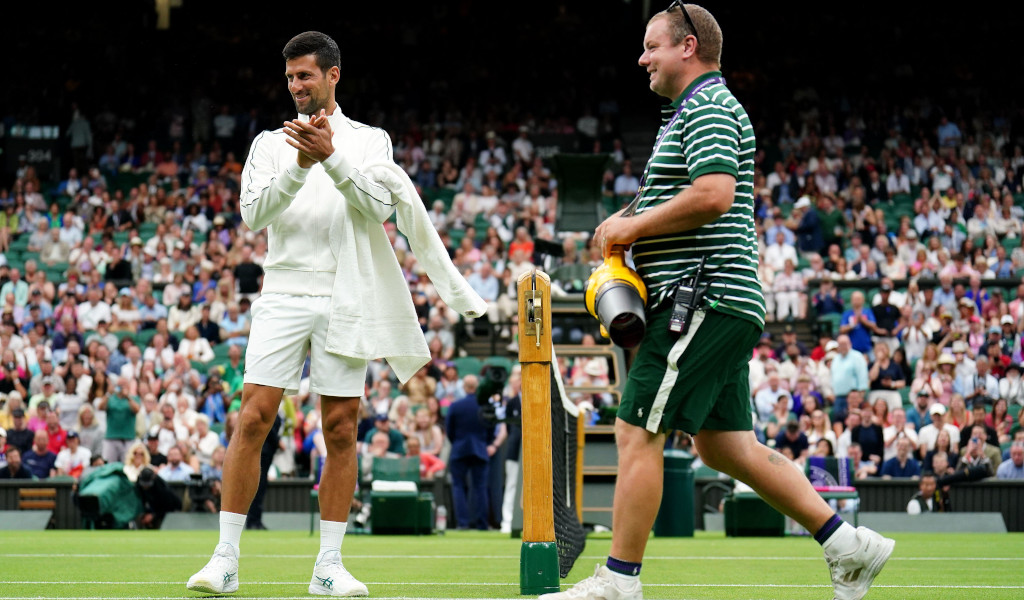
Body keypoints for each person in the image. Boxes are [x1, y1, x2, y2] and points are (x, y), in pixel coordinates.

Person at [547, 6, 893, 600]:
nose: (642, 57)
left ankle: (618, 582)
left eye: (650, 46)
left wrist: (631, 229)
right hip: (719, 298)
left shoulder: (707, 105)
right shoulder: (692, 110)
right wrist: (626, 224)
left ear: (687, 47)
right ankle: (847, 545)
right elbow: (688, 196)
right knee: (723, 445)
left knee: (635, 430)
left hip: (700, 298)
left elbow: (712, 195)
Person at [189, 31, 483, 597]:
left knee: (342, 429)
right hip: (282, 292)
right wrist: (300, 163)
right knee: (253, 419)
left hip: (344, 293)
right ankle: (224, 559)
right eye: (291, 78)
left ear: (333, 75)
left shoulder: (371, 141)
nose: (297, 86)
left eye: (306, 75)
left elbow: (377, 207)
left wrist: (331, 158)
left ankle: (329, 565)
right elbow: (254, 218)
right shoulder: (268, 144)